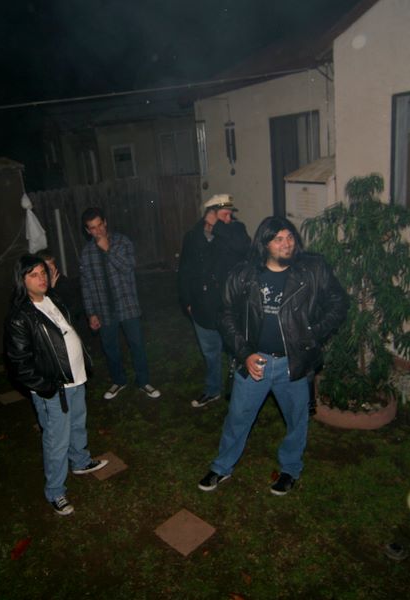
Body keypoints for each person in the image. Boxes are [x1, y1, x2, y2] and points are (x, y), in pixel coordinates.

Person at [198, 216, 348, 495]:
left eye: (290, 237)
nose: (286, 243)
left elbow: (339, 302)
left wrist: (313, 333)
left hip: (293, 363)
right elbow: (225, 315)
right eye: (278, 239)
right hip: (255, 362)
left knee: (296, 420)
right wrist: (244, 353)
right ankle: (222, 466)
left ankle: (290, 469)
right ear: (264, 243)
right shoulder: (244, 274)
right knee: (237, 418)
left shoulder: (313, 269)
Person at [4, 254, 108, 516]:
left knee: (77, 424)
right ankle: (55, 491)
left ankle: (80, 461)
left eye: (43, 272)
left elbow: (74, 317)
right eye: (34, 275)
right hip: (53, 389)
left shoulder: (53, 299)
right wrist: (46, 387)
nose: (42, 278)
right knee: (56, 441)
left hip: (76, 378)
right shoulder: (20, 316)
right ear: (22, 280)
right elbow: (19, 364)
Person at [79, 207, 161, 400]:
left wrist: (108, 250)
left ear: (105, 222)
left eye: (100, 225)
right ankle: (118, 381)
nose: (98, 231)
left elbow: (128, 267)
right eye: (93, 228)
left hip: (127, 304)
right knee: (110, 348)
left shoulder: (122, 242)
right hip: (103, 308)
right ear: (88, 230)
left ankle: (143, 381)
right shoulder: (86, 253)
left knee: (137, 344)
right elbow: (86, 285)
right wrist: (91, 313)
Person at [177, 194, 250, 408]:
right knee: (210, 352)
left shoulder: (235, 230)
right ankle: (213, 389)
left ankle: (240, 392)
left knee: (236, 351)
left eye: (230, 214)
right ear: (210, 213)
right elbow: (185, 271)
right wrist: (186, 301)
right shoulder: (193, 236)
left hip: (229, 306)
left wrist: (218, 226)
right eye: (225, 214)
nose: (229, 218)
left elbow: (243, 247)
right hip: (202, 305)